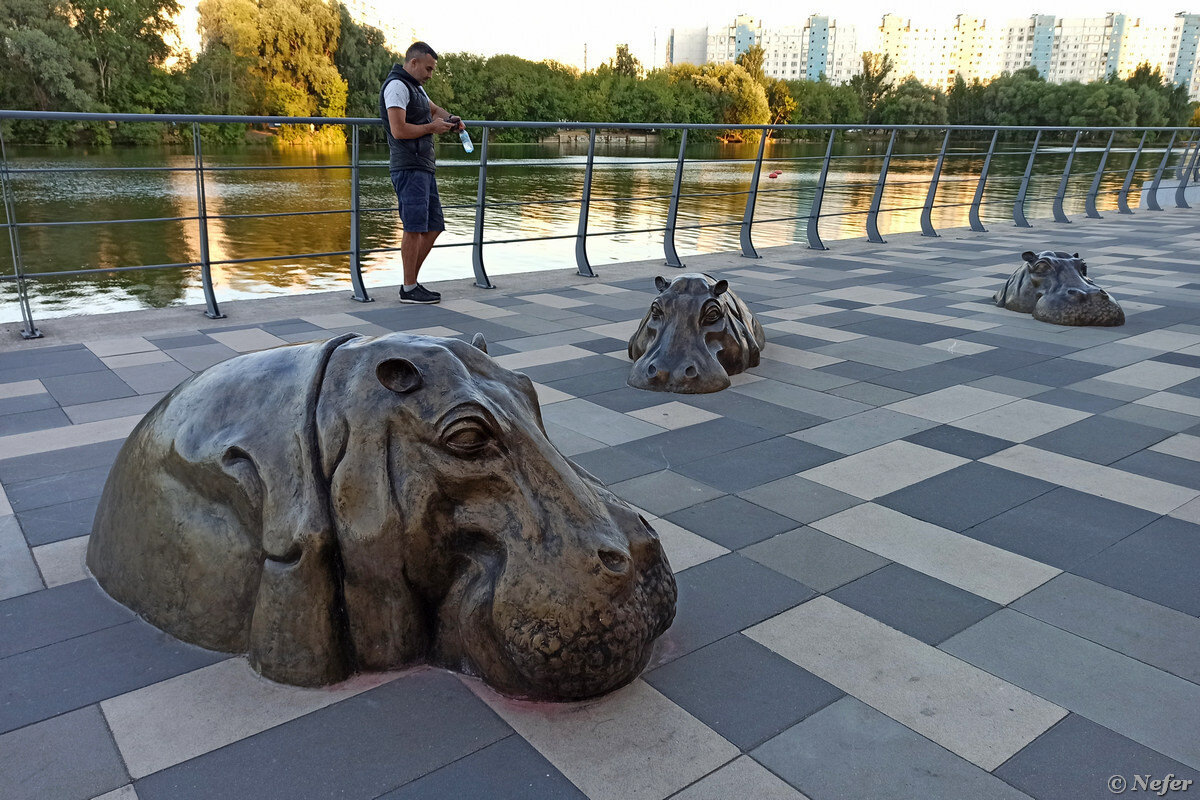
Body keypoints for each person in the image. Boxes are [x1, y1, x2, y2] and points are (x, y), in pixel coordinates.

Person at [380, 42, 465, 304]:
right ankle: (408, 288)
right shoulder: (396, 86)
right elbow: (399, 130)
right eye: (428, 69)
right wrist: (431, 128)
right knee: (414, 228)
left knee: (434, 225)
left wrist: (451, 120)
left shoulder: (416, 88)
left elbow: (434, 110)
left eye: (433, 70)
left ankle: (411, 283)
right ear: (413, 63)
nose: (430, 75)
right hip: (408, 165)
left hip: (423, 166)